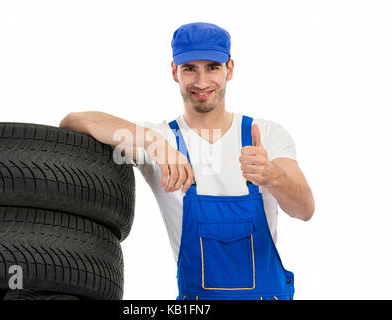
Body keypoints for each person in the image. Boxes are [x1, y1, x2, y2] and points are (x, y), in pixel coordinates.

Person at [59, 22, 314, 300]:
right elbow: (74, 122)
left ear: (230, 69)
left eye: (212, 67)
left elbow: (305, 210)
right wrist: (151, 141)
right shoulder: (161, 137)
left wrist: (271, 176)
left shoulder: (266, 135)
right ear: (174, 72)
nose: (201, 82)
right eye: (190, 68)